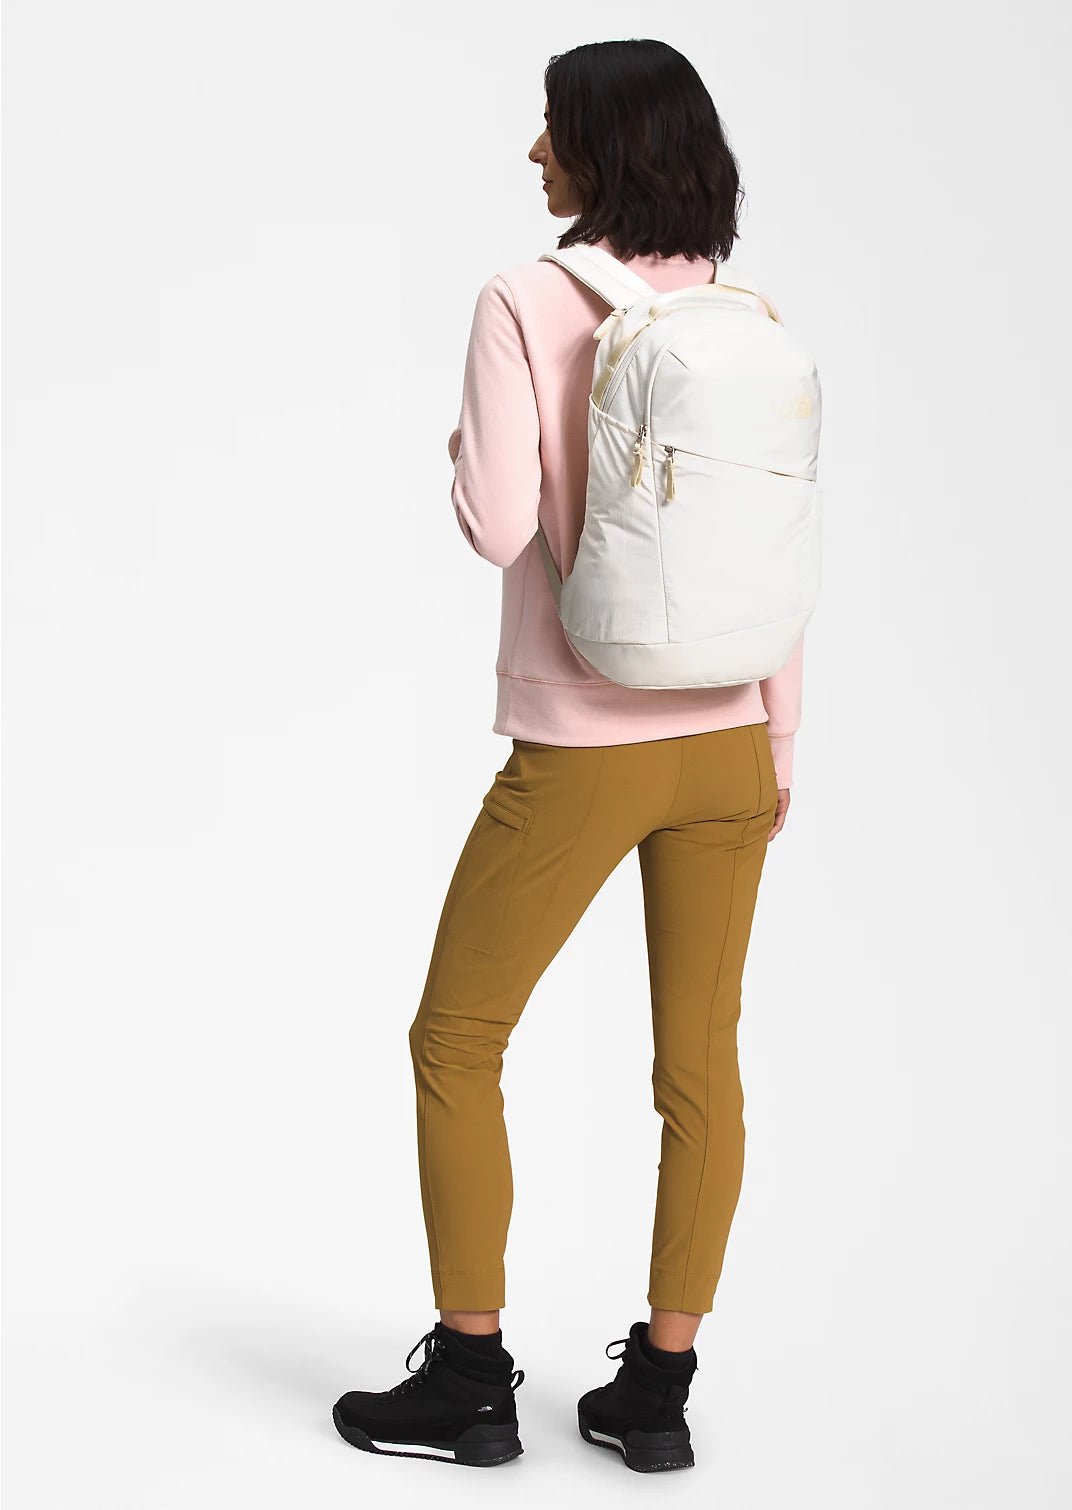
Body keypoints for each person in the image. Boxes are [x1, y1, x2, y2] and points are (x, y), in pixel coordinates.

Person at [332, 38, 804, 1473]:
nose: (534, 152)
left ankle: (471, 1380)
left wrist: (465, 437)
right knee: (700, 1067)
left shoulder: (525, 299)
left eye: (551, 129)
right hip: (733, 742)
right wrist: (782, 743)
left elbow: (494, 523)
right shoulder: (744, 314)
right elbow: (779, 553)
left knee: (456, 1037)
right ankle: (657, 1396)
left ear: (601, 146)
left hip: (584, 742)